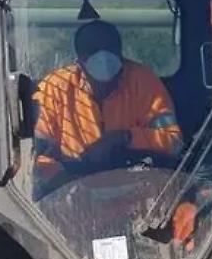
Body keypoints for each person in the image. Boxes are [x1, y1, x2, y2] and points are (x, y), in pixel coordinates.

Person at [32, 19, 183, 199]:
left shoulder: (144, 82)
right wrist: (63, 180)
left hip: (135, 187)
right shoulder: (55, 88)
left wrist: (125, 138)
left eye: (110, 50)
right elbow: (35, 155)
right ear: (79, 58)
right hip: (73, 189)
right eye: (93, 51)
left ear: (120, 53)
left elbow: (173, 141)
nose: (103, 58)